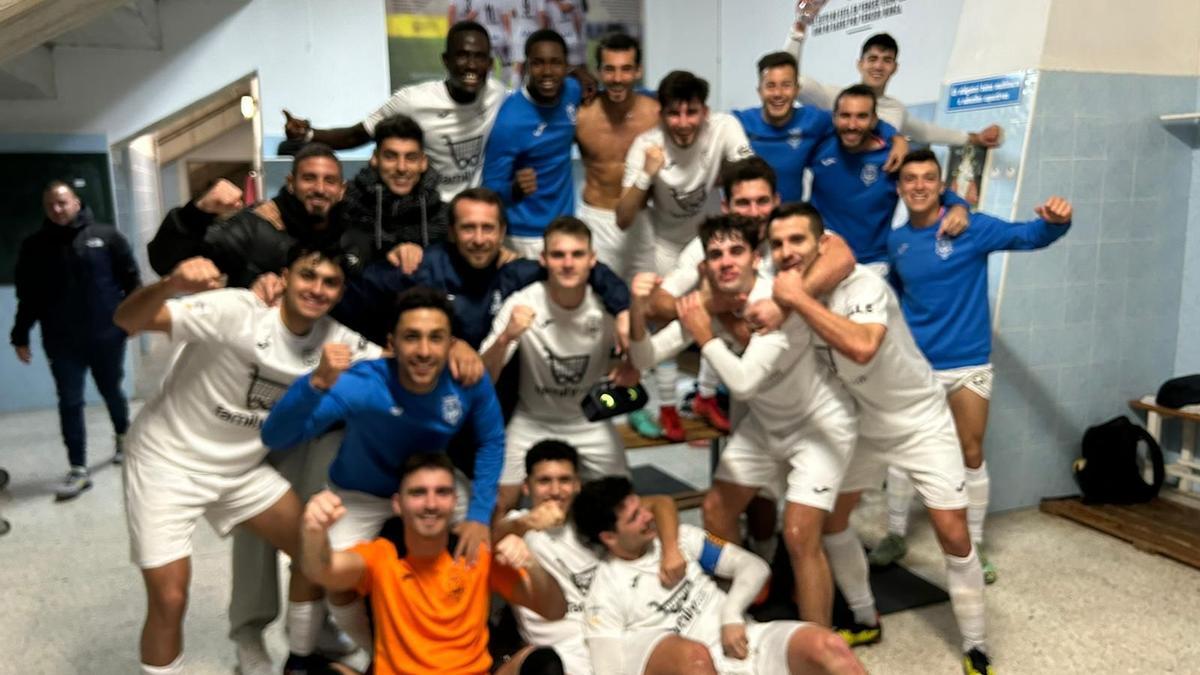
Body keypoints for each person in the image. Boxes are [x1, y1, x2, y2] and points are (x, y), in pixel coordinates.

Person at [111, 248, 379, 675]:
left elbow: (403, 364)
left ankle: (342, 656)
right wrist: (170, 287)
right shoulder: (237, 310)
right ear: (284, 276)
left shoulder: (337, 338)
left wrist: (455, 348)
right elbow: (128, 321)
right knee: (170, 597)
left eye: (330, 283)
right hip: (167, 460)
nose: (317, 289)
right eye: (308, 276)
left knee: (317, 554)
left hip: (240, 471)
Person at [768, 202, 994, 674]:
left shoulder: (862, 284)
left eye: (797, 241)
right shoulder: (792, 288)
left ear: (820, 243)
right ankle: (866, 616)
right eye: (778, 244)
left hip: (920, 420)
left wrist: (797, 298)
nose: (787, 252)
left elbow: (864, 347)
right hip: (864, 426)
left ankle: (976, 646)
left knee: (952, 533)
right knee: (834, 523)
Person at [628, 215, 856, 627]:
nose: (726, 262)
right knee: (716, 509)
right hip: (767, 424)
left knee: (801, 535)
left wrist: (705, 336)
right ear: (705, 266)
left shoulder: (775, 303)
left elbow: (744, 382)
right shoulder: (710, 303)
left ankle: (815, 648)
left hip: (817, 424)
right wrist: (637, 311)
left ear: (756, 258)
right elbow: (644, 358)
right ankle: (741, 614)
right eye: (715, 254)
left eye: (736, 251)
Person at [261, 286, 506, 654]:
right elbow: (277, 435)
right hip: (360, 492)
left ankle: (486, 640)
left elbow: (492, 440)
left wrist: (479, 515)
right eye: (412, 338)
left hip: (432, 485)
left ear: (450, 343)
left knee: (491, 541)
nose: (424, 351)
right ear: (391, 344)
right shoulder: (362, 384)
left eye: (436, 338)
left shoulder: (466, 378)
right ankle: (381, 654)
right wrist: (315, 384)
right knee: (333, 579)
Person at [873, 150, 1073, 588]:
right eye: (911, 179)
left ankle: (976, 542)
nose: (920, 186)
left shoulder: (971, 227)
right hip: (915, 368)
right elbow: (894, 300)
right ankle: (894, 534)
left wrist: (1057, 221)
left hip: (967, 363)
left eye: (929, 178)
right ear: (900, 187)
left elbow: (1028, 236)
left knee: (970, 451)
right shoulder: (898, 242)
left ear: (941, 184)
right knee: (904, 452)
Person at [299, 452, 567, 675]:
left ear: (453, 502)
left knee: (543, 664)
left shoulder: (476, 555)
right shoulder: (380, 555)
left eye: (441, 492)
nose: (430, 503)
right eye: (418, 493)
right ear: (398, 504)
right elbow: (321, 570)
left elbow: (555, 610)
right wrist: (314, 531)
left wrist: (533, 564)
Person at [574, 476, 867, 675]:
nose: (648, 516)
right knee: (696, 660)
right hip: (700, 664)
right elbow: (608, 667)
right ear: (609, 537)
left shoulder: (681, 539)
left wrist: (731, 614)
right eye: (634, 517)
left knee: (830, 646)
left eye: (642, 508)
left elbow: (754, 567)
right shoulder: (605, 593)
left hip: (749, 639)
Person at [615, 70, 754, 441]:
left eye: (691, 113)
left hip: (709, 238)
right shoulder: (647, 144)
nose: (683, 123)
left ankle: (706, 396)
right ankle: (666, 408)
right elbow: (623, 217)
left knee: (722, 310)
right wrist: (647, 175)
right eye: (674, 114)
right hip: (663, 244)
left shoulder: (724, 127)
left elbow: (750, 176)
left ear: (705, 112)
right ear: (662, 115)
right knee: (664, 321)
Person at [480, 217, 632, 514]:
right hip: (530, 418)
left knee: (621, 506)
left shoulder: (606, 306)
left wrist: (631, 362)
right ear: (543, 259)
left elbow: (642, 354)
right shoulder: (522, 302)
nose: (567, 263)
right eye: (558, 254)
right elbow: (484, 376)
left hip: (587, 420)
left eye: (577, 254)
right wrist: (506, 338)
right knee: (499, 505)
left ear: (592, 259)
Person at [495, 439, 686, 674]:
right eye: (544, 481)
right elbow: (490, 537)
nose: (555, 491)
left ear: (577, 484)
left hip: (620, 633)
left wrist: (671, 551)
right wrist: (528, 522)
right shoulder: (516, 525)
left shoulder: (591, 513)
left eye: (564, 480)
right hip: (563, 653)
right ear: (526, 486)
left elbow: (661, 503)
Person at [11, 181, 140, 500]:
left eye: (62, 202)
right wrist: (20, 334)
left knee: (111, 389)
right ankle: (78, 468)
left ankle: (124, 435)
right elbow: (28, 297)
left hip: (107, 335)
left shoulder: (108, 237)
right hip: (61, 341)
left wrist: (137, 318)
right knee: (70, 401)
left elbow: (132, 281)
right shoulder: (34, 246)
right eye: (51, 205)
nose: (57, 209)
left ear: (76, 202)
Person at [284, 21, 505, 201]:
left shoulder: (498, 94)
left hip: (473, 209)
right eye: (463, 55)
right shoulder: (413, 101)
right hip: (429, 209)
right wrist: (308, 135)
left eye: (479, 57)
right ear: (446, 61)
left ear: (489, 63)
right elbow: (357, 135)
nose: (471, 65)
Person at [807, 86, 969, 274]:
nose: (852, 124)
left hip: (872, 264)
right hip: (824, 256)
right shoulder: (820, 147)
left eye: (861, 116)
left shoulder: (893, 157)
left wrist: (959, 206)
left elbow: (926, 187)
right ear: (834, 117)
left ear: (874, 120)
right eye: (845, 116)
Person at [147, 144, 346, 288]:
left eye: (330, 181)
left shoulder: (350, 231)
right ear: (291, 183)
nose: (320, 188)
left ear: (341, 189)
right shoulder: (253, 226)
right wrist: (196, 212)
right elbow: (167, 262)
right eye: (309, 178)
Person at [732, 51, 906, 203]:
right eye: (770, 86)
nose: (778, 94)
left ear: (796, 90)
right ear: (759, 90)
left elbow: (854, 121)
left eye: (786, 85)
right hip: (748, 219)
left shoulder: (814, 120)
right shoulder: (737, 122)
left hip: (788, 222)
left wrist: (897, 138)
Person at [785, 29, 1002, 148]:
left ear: (895, 68)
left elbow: (927, 132)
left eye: (886, 60)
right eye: (873, 59)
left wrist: (974, 138)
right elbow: (790, 81)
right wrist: (798, 33)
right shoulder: (833, 98)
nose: (879, 66)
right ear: (860, 64)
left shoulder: (896, 110)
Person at [482, 29, 583, 258]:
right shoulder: (510, 120)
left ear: (566, 66)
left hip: (565, 227)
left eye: (555, 63)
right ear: (526, 66)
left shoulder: (572, 91)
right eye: (538, 63)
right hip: (524, 236)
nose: (547, 72)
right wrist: (514, 190)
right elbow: (491, 190)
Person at [574, 32, 659, 281]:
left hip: (640, 220)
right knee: (597, 305)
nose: (618, 79)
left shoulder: (655, 114)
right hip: (596, 219)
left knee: (645, 302)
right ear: (598, 72)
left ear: (638, 71)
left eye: (626, 69)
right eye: (609, 70)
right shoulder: (583, 115)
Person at [337, 114, 449, 274]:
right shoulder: (347, 210)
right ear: (375, 159)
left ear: (423, 162)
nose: (401, 168)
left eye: (411, 158)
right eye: (390, 157)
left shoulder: (443, 216)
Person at [543, 0, 587, 66]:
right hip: (561, 39)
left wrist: (578, 36)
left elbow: (566, 8)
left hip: (574, 39)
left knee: (578, 65)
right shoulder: (549, 4)